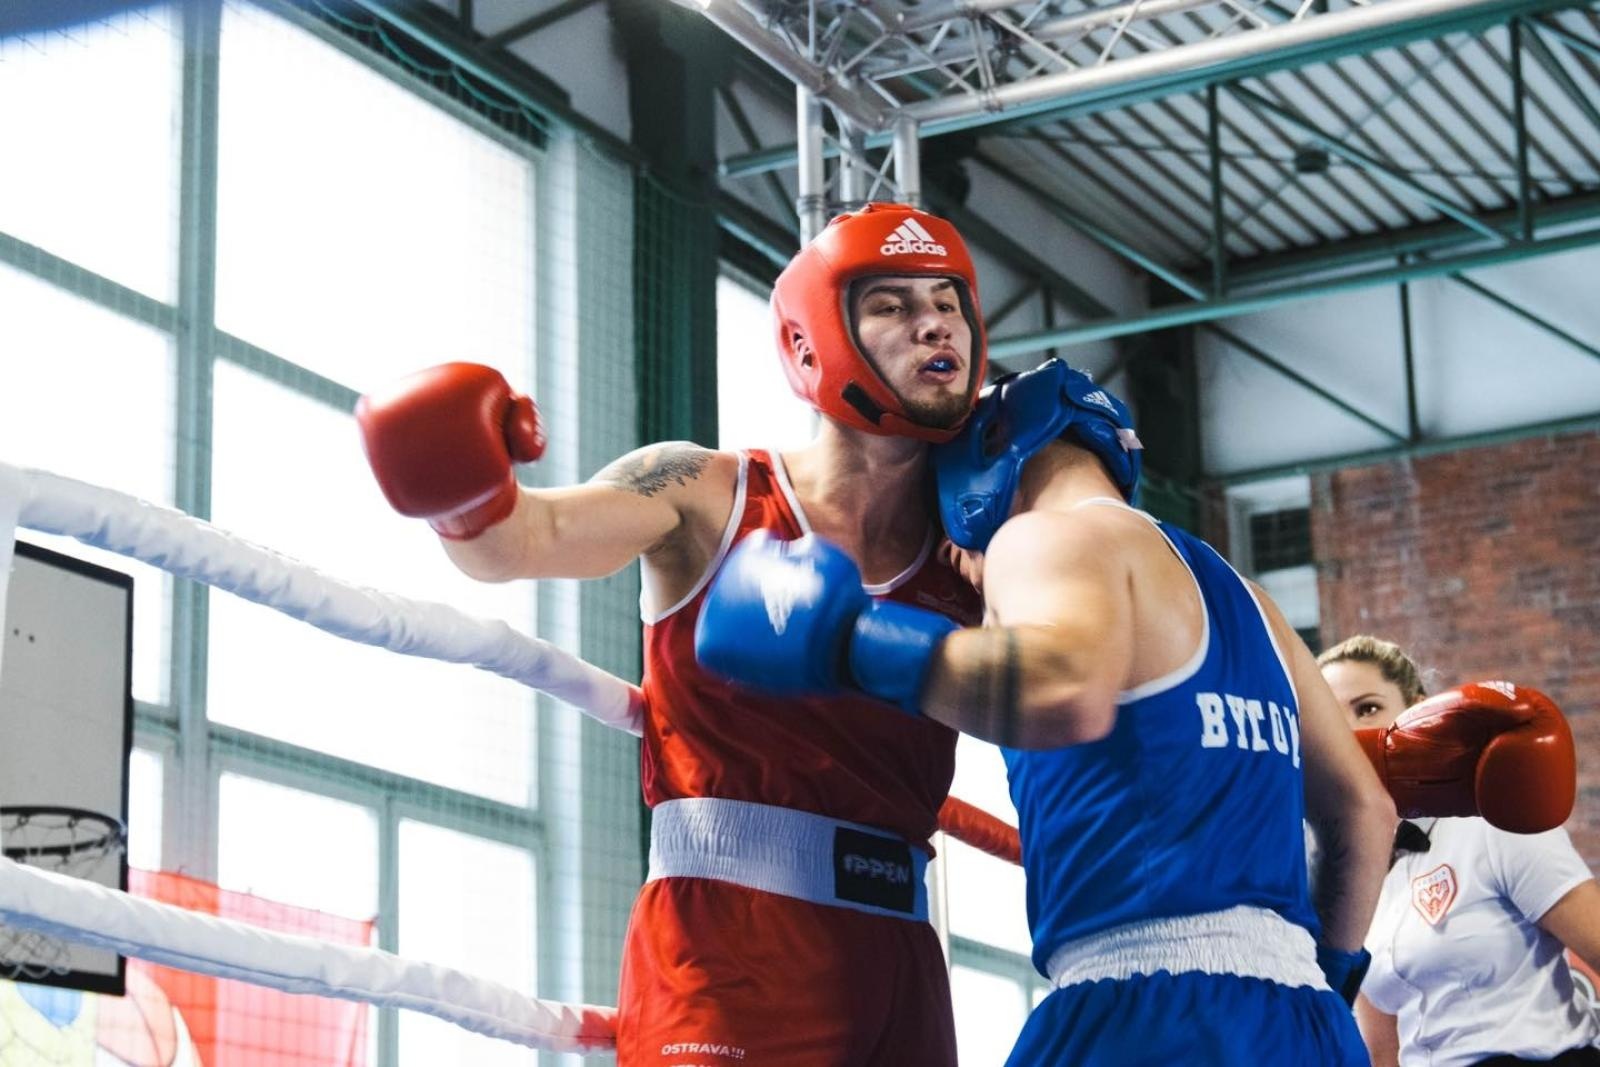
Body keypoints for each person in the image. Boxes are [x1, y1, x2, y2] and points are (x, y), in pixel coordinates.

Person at [355, 203, 988, 1067]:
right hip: (727, 942)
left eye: (947, 302)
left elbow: (1072, 698)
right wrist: (466, 489)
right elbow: (520, 543)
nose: (931, 324)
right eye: (890, 305)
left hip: (903, 958)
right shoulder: (705, 492)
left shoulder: (978, 545)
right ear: (813, 343)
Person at [696, 358, 1398, 1065]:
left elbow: (1065, 688)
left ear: (981, 464)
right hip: (1308, 1022)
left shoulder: (1042, 537)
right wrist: (1323, 987)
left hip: (1147, 1010)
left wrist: (848, 639)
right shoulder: (1252, 601)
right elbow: (1365, 812)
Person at [1320, 635, 1600, 1067]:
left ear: (1419, 713)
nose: (1354, 732)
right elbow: (1382, 1048)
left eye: (1369, 708)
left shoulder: (1494, 823)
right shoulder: (1350, 869)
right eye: (1332, 720)